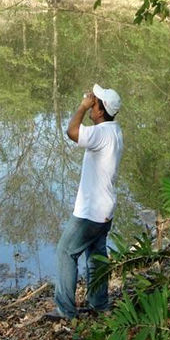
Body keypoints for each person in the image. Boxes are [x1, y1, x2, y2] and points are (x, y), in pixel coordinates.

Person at [48, 84, 123, 320]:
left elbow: (72, 132)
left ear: (100, 111)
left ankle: (66, 310)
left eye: (95, 101)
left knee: (65, 252)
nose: (91, 101)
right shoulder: (115, 130)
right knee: (96, 255)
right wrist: (90, 104)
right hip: (105, 209)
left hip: (90, 212)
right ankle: (99, 304)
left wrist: (82, 107)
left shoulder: (100, 133)